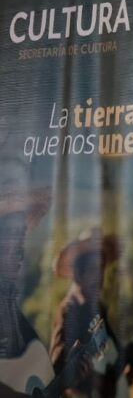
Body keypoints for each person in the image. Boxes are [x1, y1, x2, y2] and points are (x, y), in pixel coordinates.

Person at [49, 227, 125, 397]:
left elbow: (113, 351)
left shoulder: (98, 308)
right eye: (94, 270)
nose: (100, 277)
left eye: (102, 269)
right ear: (79, 274)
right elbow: (57, 368)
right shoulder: (70, 310)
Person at [0, 158, 54, 398]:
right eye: (12, 234)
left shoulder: (7, 294)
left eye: (22, 233)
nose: (21, 245)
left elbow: (33, 363)